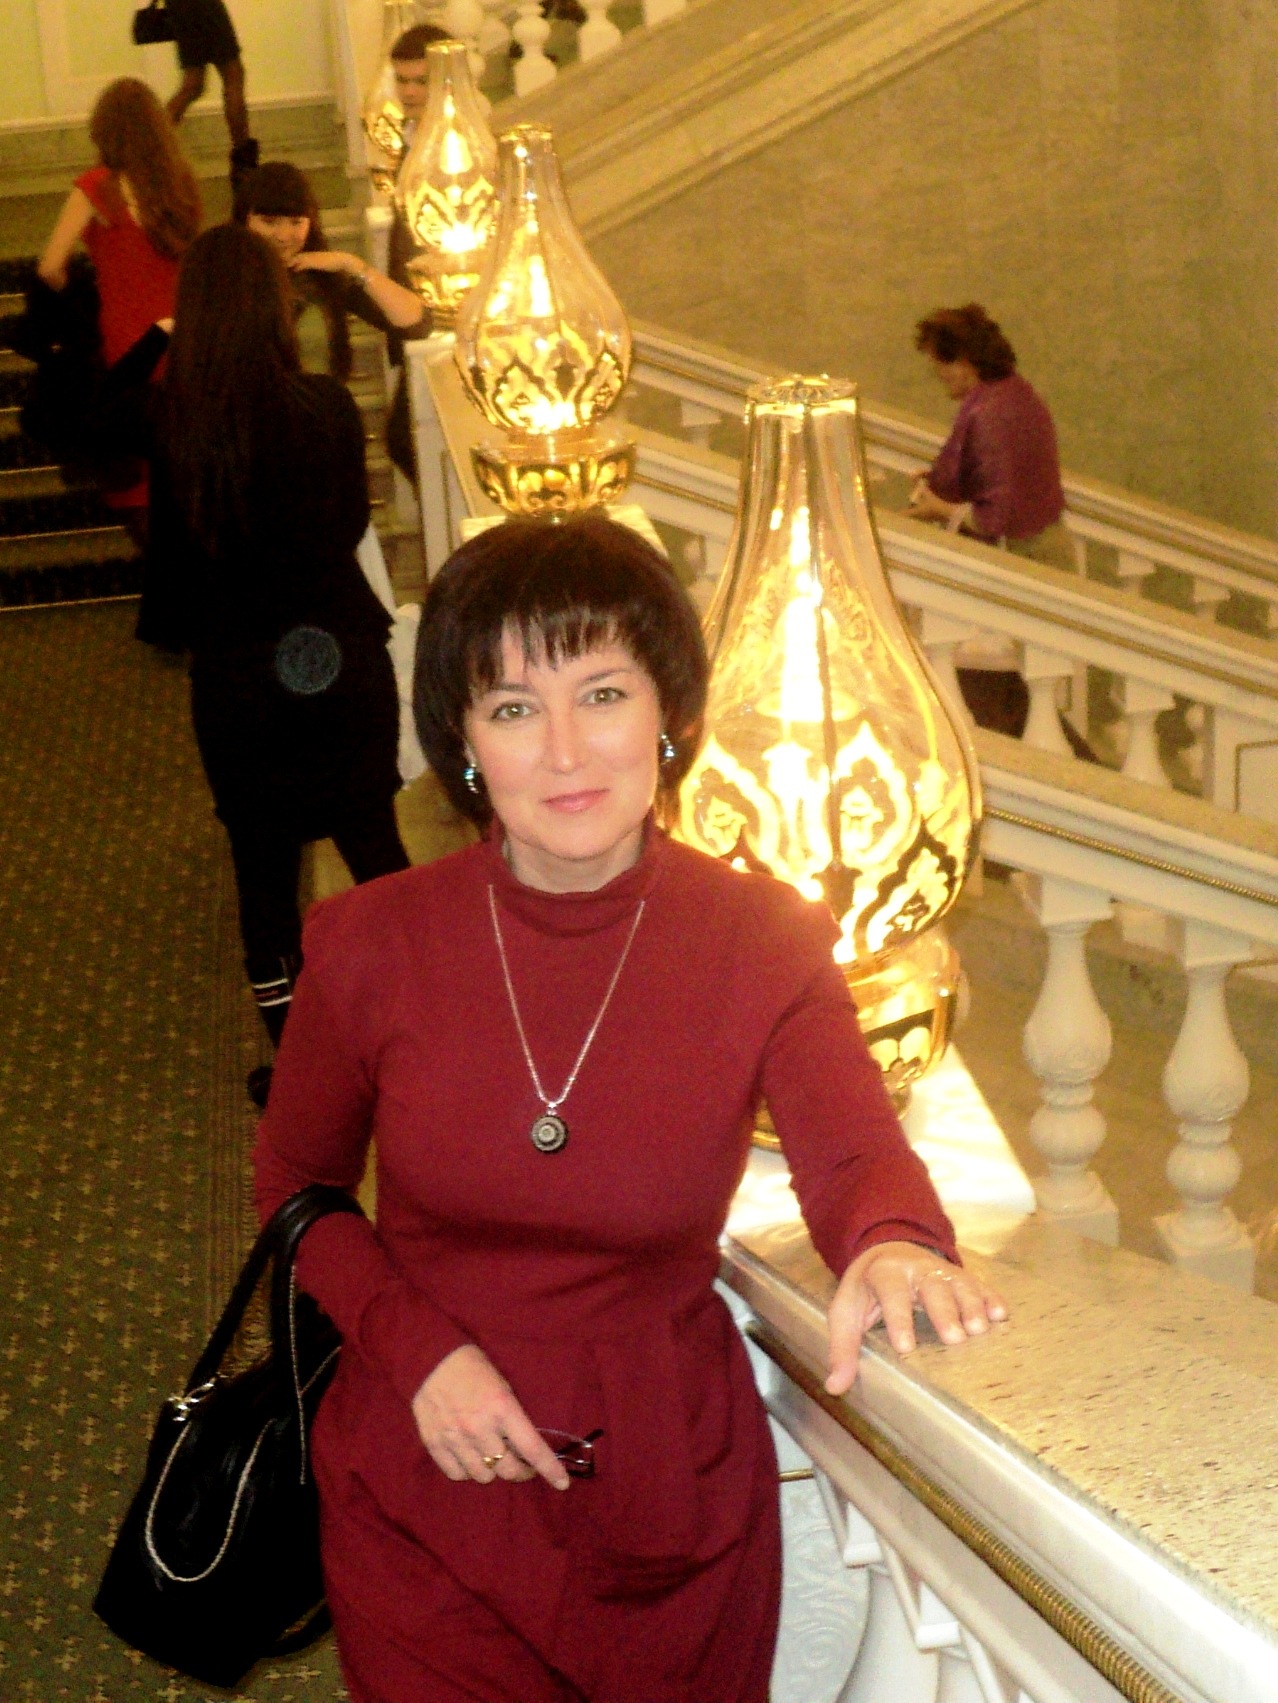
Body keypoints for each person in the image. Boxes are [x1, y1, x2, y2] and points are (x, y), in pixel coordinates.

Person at [253, 514, 1007, 1703]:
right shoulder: (369, 941)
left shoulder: (763, 939)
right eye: (513, 707)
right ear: (462, 740)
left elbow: (853, 1151)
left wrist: (894, 1237)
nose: (564, 751)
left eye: (601, 692)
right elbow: (295, 1184)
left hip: (668, 1498)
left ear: (669, 712)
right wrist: (415, 1349)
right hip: (425, 1475)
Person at [137, 224, 410, 1103]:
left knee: (262, 875)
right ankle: (425, 1030)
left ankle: (300, 1071)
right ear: (274, 308)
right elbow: (350, 526)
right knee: (377, 849)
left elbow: (171, 557)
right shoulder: (324, 405)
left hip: (238, 675)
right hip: (334, 655)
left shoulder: (178, 426)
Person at [909, 303, 1087, 748]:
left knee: (1002, 694)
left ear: (965, 361)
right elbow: (996, 477)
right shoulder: (1013, 394)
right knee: (1021, 696)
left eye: (941, 363)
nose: (938, 375)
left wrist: (939, 508)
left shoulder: (988, 412)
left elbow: (997, 515)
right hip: (1043, 549)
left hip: (1026, 560)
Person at [36, 77, 200, 547]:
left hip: (127, 339)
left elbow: (50, 266)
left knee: (134, 463)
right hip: (180, 336)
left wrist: (83, 296)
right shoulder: (179, 186)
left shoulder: (96, 188)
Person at [232, 161, 427, 382]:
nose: (284, 236)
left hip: (321, 401)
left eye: (296, 222)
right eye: (269, 222)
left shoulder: (321, 276)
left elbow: (415, 323)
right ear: (245, 220)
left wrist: (350, 264)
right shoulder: (225, 276)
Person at [163, 0, 259, 185]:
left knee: (193, 85)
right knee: (232, 75)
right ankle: (244, 164)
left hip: (179, 7)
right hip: (205, 5)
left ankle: (148, 146)